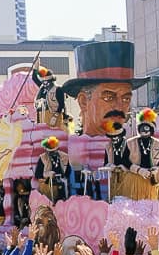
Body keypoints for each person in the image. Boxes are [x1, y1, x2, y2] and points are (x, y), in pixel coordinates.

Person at [61, 41, 149, 201]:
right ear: (83, 101)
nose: (119, 106)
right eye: (108, 97)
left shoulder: (135, 145)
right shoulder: (70, 148)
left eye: (126, 98)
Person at [122, 108, 159, 200]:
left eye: (147, 128)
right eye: (142, 128)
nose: (145, 131)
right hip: (134, 179)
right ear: (138, 129)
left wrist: (156, 169)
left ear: (152, 129)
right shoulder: (130, 142)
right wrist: (138, 170)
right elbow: (125, 161)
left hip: (150, 180)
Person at [34, 137, 70, 203]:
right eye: (50, 151)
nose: (52, 152)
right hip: (48, 186)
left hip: (62, 185)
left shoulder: (64, 156)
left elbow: (68, 171)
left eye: (54, 150)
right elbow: (38, 174)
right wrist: (48, 174)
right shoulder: (43, 157)